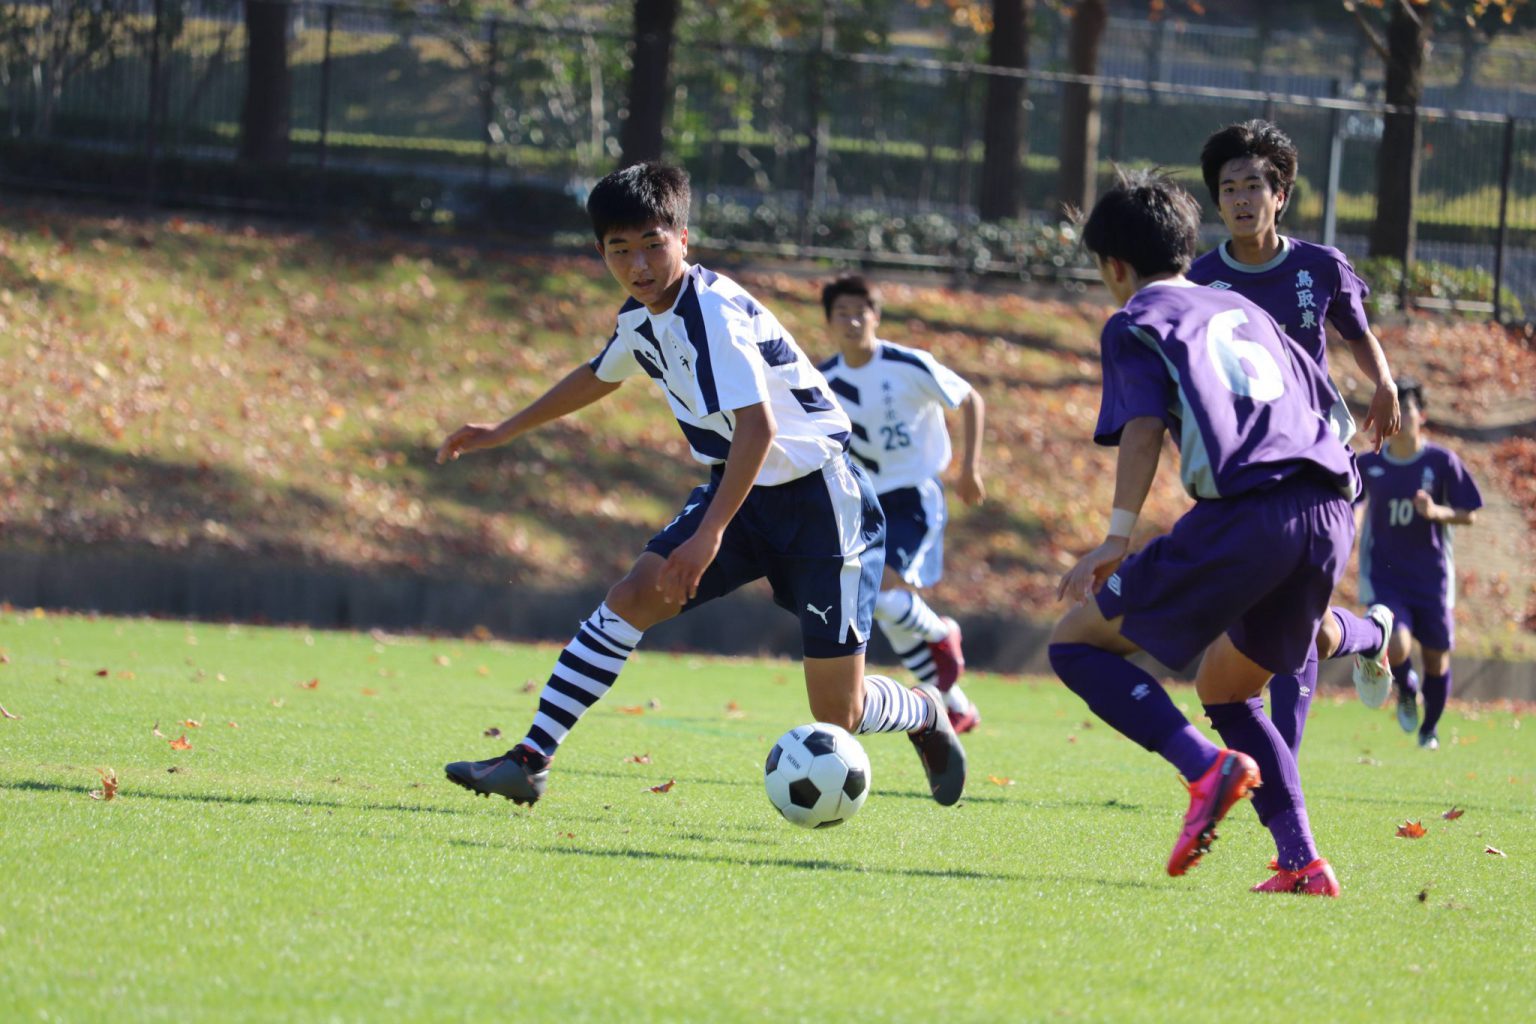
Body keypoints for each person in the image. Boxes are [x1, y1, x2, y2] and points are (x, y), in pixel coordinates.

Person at [434, 163, 965, 808]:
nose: (638, 264)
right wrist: (504, 428)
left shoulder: (710, 312)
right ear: (600, 252)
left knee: (840, 714)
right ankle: (530, 758)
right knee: (633, 595)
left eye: (653, 244)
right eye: (619, 250)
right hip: (741, 489)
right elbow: (602, 371)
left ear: (684, 239)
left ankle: (922, 710)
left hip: (821, 500)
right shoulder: (643, 316)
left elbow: (758, 428)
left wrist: (709, 533)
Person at [1053, 169, 1358, 896]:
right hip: (1328, 508)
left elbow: (1144, 426)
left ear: (1115, 268)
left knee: (1074, 644)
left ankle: (1205, 768)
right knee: (1227, 689)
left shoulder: (1136, 319)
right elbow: (1334, 415)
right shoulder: (1248, 310)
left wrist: (1116, 537)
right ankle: (1301, 859)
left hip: (1248, 515)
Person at [1189, 119, 1401, 753]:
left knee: (1294, 607)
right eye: (1229, 189)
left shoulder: (1319, 266)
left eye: (1254, 185)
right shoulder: (1200, 281)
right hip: (1247, 465)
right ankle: (1369, 636)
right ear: (1218, 201)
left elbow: (1357, 336)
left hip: (1318, 454)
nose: (1242, 199)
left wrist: (1384, 383)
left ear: (1279, 195)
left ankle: (1282, 758)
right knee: (1288, 619)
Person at [816, 273, 986, 732]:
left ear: (875, 316)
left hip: (913, 494)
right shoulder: (823, 380)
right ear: (829, 323)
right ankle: (953, 704)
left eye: (860, 311)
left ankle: (941, 633)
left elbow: (970, 398)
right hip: (862, 502)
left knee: (880, 596)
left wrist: (969, 468)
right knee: (887, 610)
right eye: (841, 313)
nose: (852, 321)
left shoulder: (906, 364)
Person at [1356, 377, 1483, 750]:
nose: (1400, 417)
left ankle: (1430, 729)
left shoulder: (1440, 461)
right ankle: (1406, 686)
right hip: (1386, 577)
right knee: (1395, 644)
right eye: (1394, 411)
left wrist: (1435, 511)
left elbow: (1469, 513)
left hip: (1432, 579)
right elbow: (1352, 506)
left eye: (1407, 409)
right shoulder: (1369, 464)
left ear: (1420, 416)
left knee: (1437, 662)